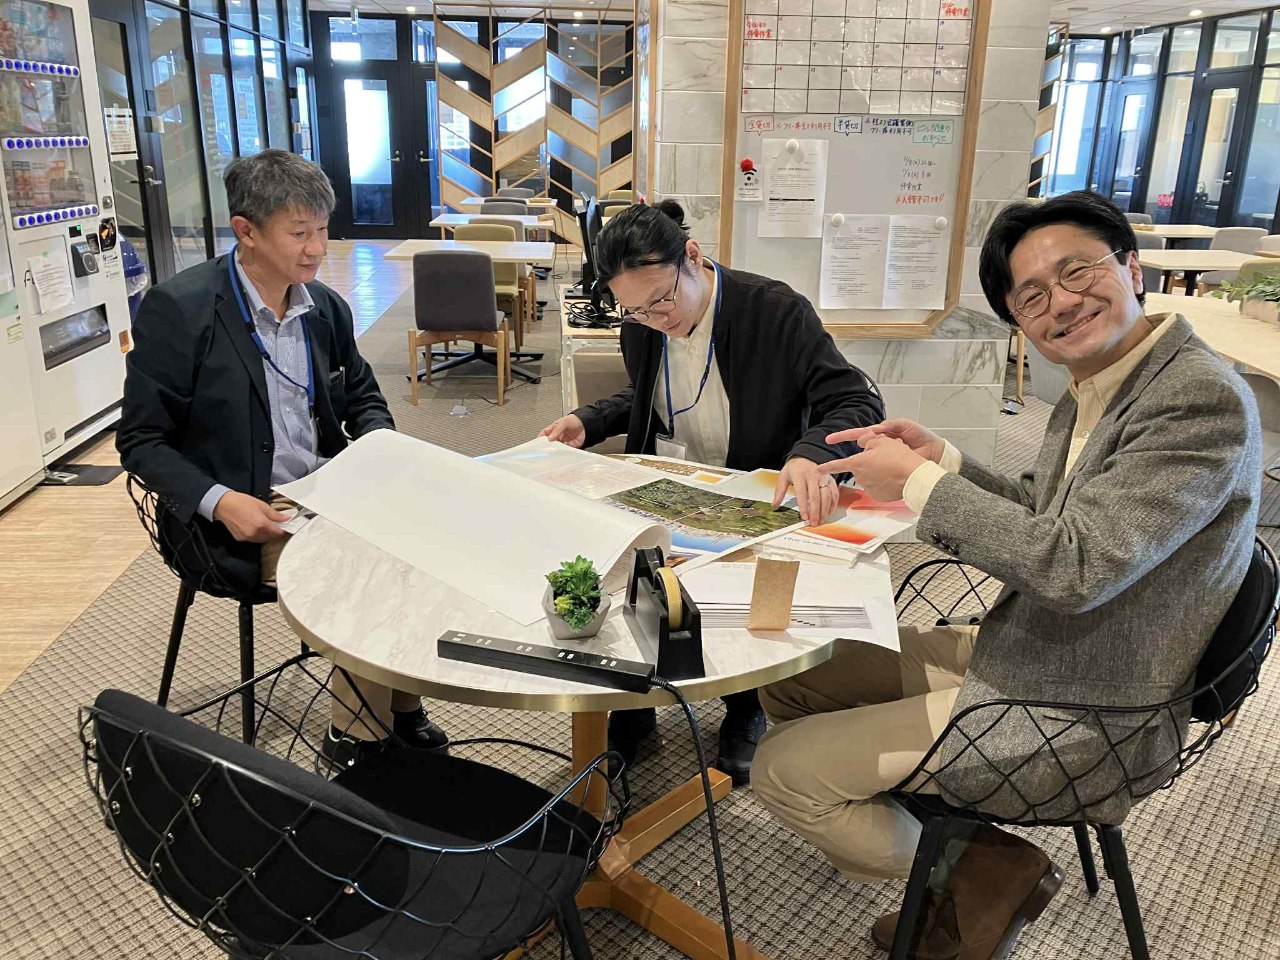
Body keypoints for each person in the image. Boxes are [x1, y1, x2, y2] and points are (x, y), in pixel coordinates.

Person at [751, 191, 1261, 957]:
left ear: (1132, 267)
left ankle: (979, 870)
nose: (1062, 303)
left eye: (1077, 271)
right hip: (1035, 650)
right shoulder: (1103, 383)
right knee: (794, 678)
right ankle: (950, 839)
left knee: (783, 772)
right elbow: (1042, 513)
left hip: (1092, 707)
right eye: (1032, 296)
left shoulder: (1196, 400)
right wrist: (943, 461)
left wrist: (919, 486)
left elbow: (1075, 566)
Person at [117, 149, 448, 770]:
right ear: (246, 231)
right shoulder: (180, 311)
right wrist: (222, 503)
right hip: (236, 513)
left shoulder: (323, 307)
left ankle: (400, 706)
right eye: (299, 233)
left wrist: (378, 448)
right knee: (366, 569)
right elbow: (140, 442)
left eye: (322, 229)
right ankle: (355, 737)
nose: (318, 248)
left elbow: (362, 395)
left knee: (430, 538)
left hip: (329, 493)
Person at [539, 200, 885, 783]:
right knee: (638, 586)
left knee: (741, 610)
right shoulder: (642, 322)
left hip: (752, 489)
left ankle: (745, 708)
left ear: (693, 258)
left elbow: (855, 401)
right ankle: (636, 707)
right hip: (673, 483)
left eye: (661, 301)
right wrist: (589, 420)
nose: (654, 319)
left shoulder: (775, 311)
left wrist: (809, 453)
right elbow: (650, 395)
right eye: (634, 310)